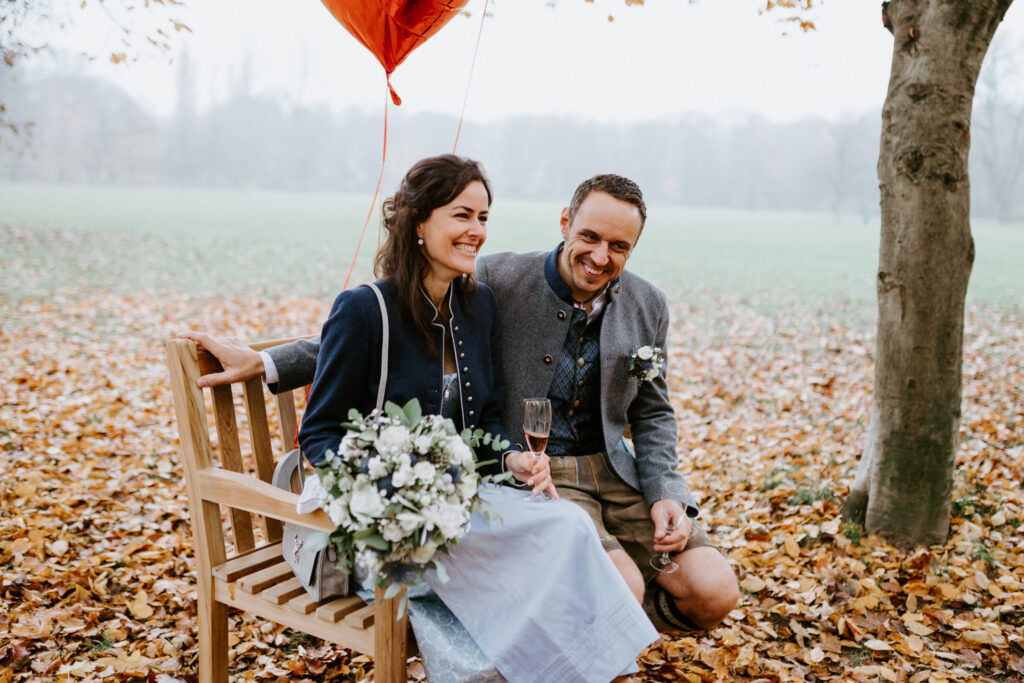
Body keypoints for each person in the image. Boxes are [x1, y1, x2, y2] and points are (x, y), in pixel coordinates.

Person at [183, 173, 739, 635]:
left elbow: (654, 411)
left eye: (619, 247)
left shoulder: (649, 304)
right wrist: (268, 362)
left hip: (616, 472)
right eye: (590, 236)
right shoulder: (495, 278)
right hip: (539, 476)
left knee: (713, 592)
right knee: (621, 587)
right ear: (565, 223)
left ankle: (600, 629)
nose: (600, 257)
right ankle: (599, 627)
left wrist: (667, 491)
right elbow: (384, 322)